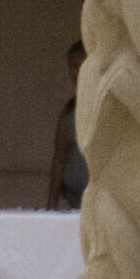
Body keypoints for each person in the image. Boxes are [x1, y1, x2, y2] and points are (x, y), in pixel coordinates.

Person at [46, 41, 88, 211]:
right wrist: (51, 205)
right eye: (72, 66)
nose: (76, 72)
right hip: (74, 201)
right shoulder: (69, 110)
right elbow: (59, 159)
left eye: (81, 65)